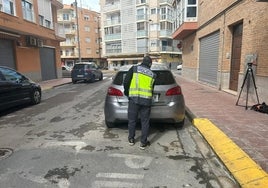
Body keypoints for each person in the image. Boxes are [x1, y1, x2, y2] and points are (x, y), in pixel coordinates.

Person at [123, 56, 156, 150]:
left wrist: (127, 92)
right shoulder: (153, 74)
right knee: (145, 122)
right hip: (146, 101)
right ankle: (143, 143)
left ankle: (131, 139)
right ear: (150, 64)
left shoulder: (134, 69)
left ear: (142, 62)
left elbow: (126, 81)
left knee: (132, 120)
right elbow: (152, 89)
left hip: (133, 99)